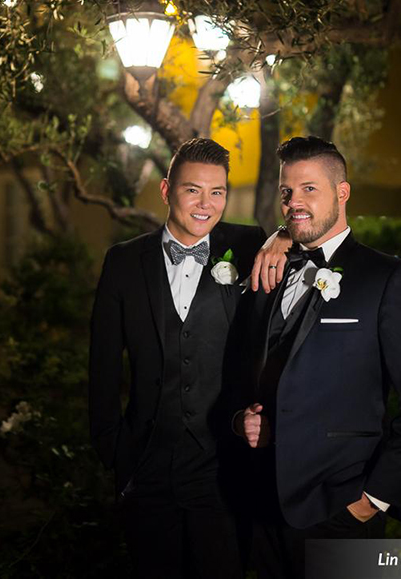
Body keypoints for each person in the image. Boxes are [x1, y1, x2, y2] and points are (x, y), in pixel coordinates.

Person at [235, 136, 401, 579]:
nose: (294, 202)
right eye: (286, 192)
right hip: (262, 508)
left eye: (309, 189)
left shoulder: (388, 278)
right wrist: (242, 418)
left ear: (342, 192)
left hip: (341, 512)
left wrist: (372, 500)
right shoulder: (269, 270)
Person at [89, 137, 290, 579]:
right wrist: (117, 457)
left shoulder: (249, 242)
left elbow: (305, 238)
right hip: (147, 472)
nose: (206, 204)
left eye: (217, 192)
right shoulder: (123, 262)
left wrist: (282, 234)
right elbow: (102, 368)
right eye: (192, 190)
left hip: (223, 469)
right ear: (166, 190)